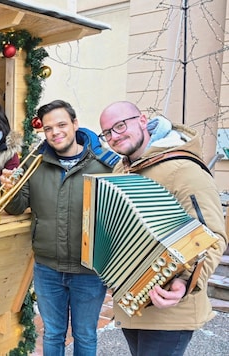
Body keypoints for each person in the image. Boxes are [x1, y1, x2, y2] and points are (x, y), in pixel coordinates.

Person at [98, 101, 228, 356]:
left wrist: (185, 282)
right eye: (107, 133)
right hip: (132, 301)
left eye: (121, 125)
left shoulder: (184, 168)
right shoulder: (120, 169)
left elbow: (213, 235)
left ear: (143, 120)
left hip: (170, 306)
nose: (114, 136)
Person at [2, 100, 120, 356]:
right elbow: (16, 207)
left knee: (85, 335)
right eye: (48, 128)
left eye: (61, 124)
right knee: (53, 333)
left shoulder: (107, 165)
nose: (55, 132)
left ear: (75, 125)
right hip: (47, 268)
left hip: (89, 270)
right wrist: (10, 189)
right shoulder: (34, 163)